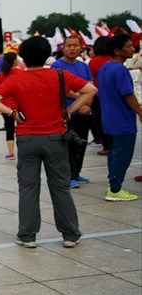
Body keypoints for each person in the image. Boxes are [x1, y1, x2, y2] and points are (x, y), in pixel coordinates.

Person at [0, 36, 97, 249]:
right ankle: (70, 234)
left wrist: (13, 113)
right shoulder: (59, 74)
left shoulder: (16, 79)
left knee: (28, 187)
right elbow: (91, 90)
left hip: (27, 138)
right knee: (60, 187)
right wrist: (70, 110)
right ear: (48, 55)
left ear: (23, 58)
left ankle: (28, 235)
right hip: (55, 137)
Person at [96, 33, 142, 201]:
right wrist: (140, 112)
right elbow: (128, 95)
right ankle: (115, 190)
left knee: (114, 153)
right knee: (123, 155)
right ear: (117, 50)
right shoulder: (120, 70)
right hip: (122, 121)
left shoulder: (104, 68)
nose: (132, 48)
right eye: (128, 46)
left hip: (108, 119)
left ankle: (113, 185)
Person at [51, 35, 94, 188]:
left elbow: (91, 86)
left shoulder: (84, 66)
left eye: (75, 45)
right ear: (63, 48)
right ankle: (69, 176)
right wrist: (80, 99)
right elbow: (62, 89)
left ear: (80, 47)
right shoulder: (56, 66)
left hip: (85, 111)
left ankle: (77, 172)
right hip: (67, 112)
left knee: (81, 143)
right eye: (69, 45)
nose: (72, 48)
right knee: (69, 146)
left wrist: (87, 103)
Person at [0, 52, 22, 160]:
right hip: (20, 106)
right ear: (15, 61)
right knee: (22, 127)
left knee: (9, 128)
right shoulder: (21, 73)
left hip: (6, 107)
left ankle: (11, 153)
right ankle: (23, 149)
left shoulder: (1, 76)